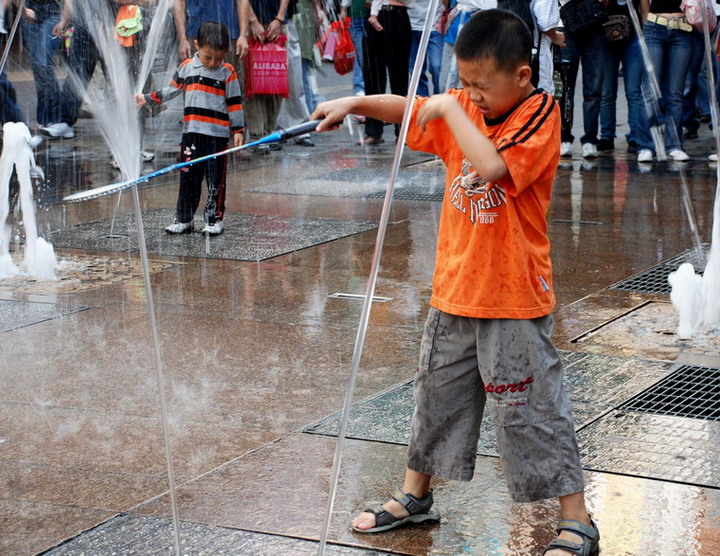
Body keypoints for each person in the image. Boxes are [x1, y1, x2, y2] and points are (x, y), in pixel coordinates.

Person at [311, 9, 599, 556]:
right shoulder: (464, 105)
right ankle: (416, 495)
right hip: (455, 288)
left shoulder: (539, 114)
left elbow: (492, 167)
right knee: (436, 401)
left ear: (521, 76)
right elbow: (410, 109)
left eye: (480, 86)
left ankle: (577, 520)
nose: (472, 95)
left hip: (512, 296)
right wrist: (355, 102)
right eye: (464, 83)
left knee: (532, 410)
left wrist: (448, 104)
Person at [135, 21, 244, 236]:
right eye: (208, 57)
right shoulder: (186, 67)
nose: (213, 63)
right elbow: (171, 91)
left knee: (215, 181)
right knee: (188, 178)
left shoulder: (227, 72)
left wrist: (238, 130)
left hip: (217, 138)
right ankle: (184, 218)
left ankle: (214, 219)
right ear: (197, 46)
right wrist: (147, 99)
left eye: (218, 58)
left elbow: (235, 103)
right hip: (191, 135)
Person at [635, 0, 693, 162]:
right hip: (655, 26)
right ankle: (645, 145)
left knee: (676, 92)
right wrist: (646, 20)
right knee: (649, 92)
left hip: (683, 27)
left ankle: (674, 144)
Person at [597, 0, 648, 155]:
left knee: (634, 91)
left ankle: (635, 135)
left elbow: (644, 9)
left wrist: (645, 37)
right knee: (606, 92)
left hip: (633, 38)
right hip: (605, 37)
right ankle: (606, 135)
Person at [360, 0, 412, 145]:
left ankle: (403, 130)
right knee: (372, 75)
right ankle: (373, 131)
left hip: (396, 15)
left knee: (399, 76)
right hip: (372, 15)